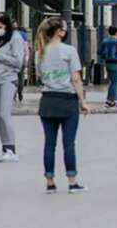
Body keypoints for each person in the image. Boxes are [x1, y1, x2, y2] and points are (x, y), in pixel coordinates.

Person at [34, 17, 90, 193]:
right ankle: (72, 181)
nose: (65, 31)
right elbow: (76, 78)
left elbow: (40, 77)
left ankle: (50, 182)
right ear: (59, 31)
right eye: (64, 29)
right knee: (68, 143)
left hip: (48, 100)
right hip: (67, 100)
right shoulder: (69, 51)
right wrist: (83, 101)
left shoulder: (39, 52)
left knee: (49, 144)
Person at [0, 12, 27, 162]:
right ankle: (5, 148)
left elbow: (18, 62)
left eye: (0, 27)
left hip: (8, 80)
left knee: (5, 114)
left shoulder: (15, 38)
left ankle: (11, 149)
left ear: (7, 26)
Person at [98, 26, 117, 108]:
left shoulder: (105, 41)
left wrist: (105, 56)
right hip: (116, 63)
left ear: (108, 32)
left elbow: (99, 51)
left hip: (107, 63)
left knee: (112, 81)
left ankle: (112, 101)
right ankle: (111, 100)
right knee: (115, 82)